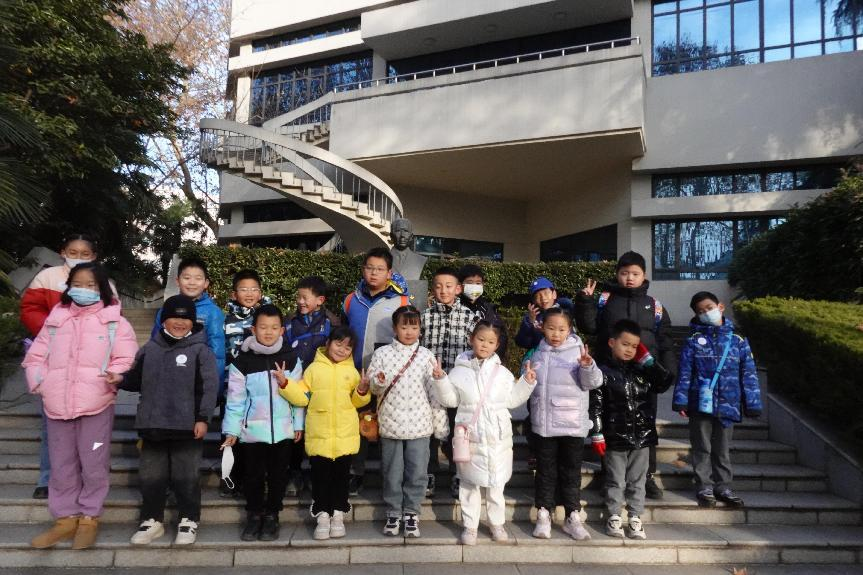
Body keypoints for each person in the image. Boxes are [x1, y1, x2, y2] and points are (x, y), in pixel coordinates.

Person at [22, 262, 138, 549]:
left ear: (102, 289)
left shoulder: (114, 322)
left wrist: (115, 377)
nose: (83, 289)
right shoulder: (56, 319)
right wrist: (41, 383)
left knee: (94, 462)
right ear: (68, 287)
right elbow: (36, 357)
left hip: (96, 404)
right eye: (78, 284)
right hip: (56, 404)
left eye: (91, 285)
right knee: (61, 463)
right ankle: (65, 518)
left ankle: (89, 517)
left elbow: (126, 357)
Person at [107, 295, 219, 546]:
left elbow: (209, 388)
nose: (179, 322)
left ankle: (189, 519)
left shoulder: (201, 351)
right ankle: (152, 520)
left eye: (185, 318)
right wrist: (120, 379)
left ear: (193, 322)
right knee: (151, 476)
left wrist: (203, 418)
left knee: (186, 476)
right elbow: (136, 378)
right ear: (163, 320)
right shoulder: (150, 348)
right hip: (153, 424)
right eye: (173, 317)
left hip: (187, 427)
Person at [575, 251, 677, 499]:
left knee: (646, 424)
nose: (629, 278)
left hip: (644, 376)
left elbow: (665, 341)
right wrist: (585, 302)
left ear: (644, 275)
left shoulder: (655, 305)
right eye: (624, 273)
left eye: (635, 273)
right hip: (611, 375)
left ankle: (646, 477)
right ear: (617, 274)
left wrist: (669, 370)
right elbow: (589, 327)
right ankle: (609, 474)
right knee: (610, 422)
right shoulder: (605, 300)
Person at [19, 233, 109, 500]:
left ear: (94, 256)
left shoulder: (104, 282)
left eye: (85, 254)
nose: (78, 257)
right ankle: (48, 478)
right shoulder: (47, 277)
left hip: (89, 367)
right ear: (63, 252)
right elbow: (30, 308)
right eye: (73, 252)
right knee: (53, 426)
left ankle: (85, 479)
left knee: (89, 431)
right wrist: (54, 333)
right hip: (54, 363)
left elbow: (113, 320)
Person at [432, 321, 536, 546]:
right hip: (471, 437)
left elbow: (512, 400)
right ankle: (470, 526)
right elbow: (450, 400)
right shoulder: (458, 372)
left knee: (496, 485)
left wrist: (527, 383)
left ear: (497, 345)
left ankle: (496, 523)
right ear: (472, 339)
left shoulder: (503, 374)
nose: (484, 345)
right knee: (469, 485)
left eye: (490, 341)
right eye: (481, 339)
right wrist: (440, 380)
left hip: (497, 438)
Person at [279, 326, 371, 540]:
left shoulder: (352, 372)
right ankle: (322, 515)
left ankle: (338, 514)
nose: (342, 350)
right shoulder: (313, 369)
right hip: (319, 435)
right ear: (328, 343)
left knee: (341, 477)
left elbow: (358, 402)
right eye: (338, 344)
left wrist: (362, 390)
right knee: (320, 477)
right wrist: (285, 384)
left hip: (345, 437)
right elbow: (302, 397)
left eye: (347, 347)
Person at [673, 291, 762, 509]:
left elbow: (748, 373)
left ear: (720, 307)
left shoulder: (738, 340)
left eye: (709, 308)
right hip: (700, 403)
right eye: (700, 311)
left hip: (728, 403)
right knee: (701, 446)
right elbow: (685, 372)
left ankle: (723, 486)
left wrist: (752, 403)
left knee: (722, 448)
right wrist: (681, 401)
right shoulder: (693, 341)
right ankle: (704, 484)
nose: (706, 313)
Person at [222, 304, 304, 542]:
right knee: (253, 475)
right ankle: (254, 514)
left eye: (274, 327)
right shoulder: (242, 362)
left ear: (282, 330)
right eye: (263, 327)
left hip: (283, 430)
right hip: (252, 432)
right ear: (253, 329)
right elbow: (235, 400)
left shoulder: (291, 359)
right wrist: (232, 430)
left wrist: (298, 425)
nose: (269, 332)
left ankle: (272, 515)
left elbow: (299, 396)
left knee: (278, 475)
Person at [368, 305, 449, 538]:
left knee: (417, 472)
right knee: (392, 472)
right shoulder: (382, 354)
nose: (409, 332)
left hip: (420, 425)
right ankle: (393, 512)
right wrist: (378, 381)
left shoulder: (426, 356)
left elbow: (434, 394)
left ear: (420, 329)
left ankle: (412, 513)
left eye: (414, 327)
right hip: (391, 424)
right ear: (395, 329)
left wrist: (440, 425)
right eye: (404, 327)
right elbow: (373, 387)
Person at [589, 320, 674, 540]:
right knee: (616, 479)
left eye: (635, 346)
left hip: (642, 436)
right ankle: (614, 515)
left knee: (638, 480)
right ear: (612, 342)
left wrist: (649, 361)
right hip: (615, 436)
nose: (629, 350)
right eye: (625, 344)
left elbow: (664, 382)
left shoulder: (642, 371)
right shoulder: (602, 372)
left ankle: (635, 516)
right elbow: (595, 406)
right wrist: (597, 432)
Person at [525, 309, 603, 540]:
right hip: (544, 426)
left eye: (561, 329)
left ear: (569, 330)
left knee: (571, 472)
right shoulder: (537, 353)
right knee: (545, 471)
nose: (556, 334)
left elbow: (593, 383)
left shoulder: (578, 352)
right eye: (551, 328)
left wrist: (588, 366)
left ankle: (572, 516)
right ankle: (543, 514)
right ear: (542, 328)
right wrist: (527, 379)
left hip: (572, 425)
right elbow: (529, 385)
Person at [342, 247, 409, 495]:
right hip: (355, 376)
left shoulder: (401, 301)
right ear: (363, 269)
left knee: (388, 427)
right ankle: (355, 474)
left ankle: (389, 478)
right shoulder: (351, 300)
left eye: (380, 269)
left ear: (389, 273)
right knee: (357, 426)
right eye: (370, 268)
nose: (374, 273)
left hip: (388, 378)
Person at [421, 266, 480, 499]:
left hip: (458, 387)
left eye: (448, 286)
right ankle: (429, 473)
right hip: (430, 386)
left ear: (458, 289)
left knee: (459, 431)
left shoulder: (471, 317)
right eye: (438, 286)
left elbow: (478, 350)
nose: (443, 291)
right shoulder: (425, 316)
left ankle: (458, 475)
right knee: (429, 432)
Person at [284, 275, 340, 496]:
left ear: (320, 300)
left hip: (322, 387)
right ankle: (295, 472)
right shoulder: (290, 322)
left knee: (319, 431)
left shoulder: (332, 323)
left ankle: (318, 473)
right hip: (296, 386)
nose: (300, 302)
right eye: (298, 297)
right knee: (296, 431)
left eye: (305, 297)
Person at [221, 269, 272, 498]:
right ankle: (231, 477)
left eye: (254, 289)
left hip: (259, 388)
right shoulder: (226, 320)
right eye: (243, 289)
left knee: (253, 436)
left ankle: (254, 479)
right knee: (230, 433)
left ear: (260, 293)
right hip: (232, 386)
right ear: (234, 294)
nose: (249, 293)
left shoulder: (267, 318)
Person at [151, 257, 225, 392]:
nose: (192, 282)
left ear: (206, 283)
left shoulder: (213, 312)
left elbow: (217, 352)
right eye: (187, 278)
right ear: (177, 281)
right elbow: (155, 342)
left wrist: (212, 385)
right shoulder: (166, 309)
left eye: (198, 278)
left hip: (197, 380)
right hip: (168, 378)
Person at [457, 263, 508, 361]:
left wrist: (490, 361)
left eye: (478, 283)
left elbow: (501, 337)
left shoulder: (489, 310)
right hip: (459, 361)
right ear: (460, 285)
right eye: (470, 282)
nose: (474, 286)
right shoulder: (455, 308)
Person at [514, 276, 574, 350]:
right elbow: (522, 342)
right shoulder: (532, 317)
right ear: (534, 301)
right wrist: (530, 323)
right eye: (538, 296)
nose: (543, 298)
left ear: (554, 294)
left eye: (546, 293)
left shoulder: (565, 308)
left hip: (568, 351)